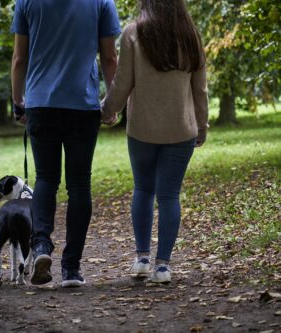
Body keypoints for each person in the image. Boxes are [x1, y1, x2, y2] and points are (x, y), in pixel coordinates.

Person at [11, 0, 122, 287]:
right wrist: (113, 103)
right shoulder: (102, 2)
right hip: (82, 106)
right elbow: (110, 57)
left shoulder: (26, 2)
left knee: (46, 178)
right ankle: (71, 269)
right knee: (80, 184)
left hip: (41, 103)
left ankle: (41, 248)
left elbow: (19, 58)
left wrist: (18, 102)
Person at [101, 0, 209, 283]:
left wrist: (107, 110)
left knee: (143, 190)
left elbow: (122, 83)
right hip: (181, 129)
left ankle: (141, 260)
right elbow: (200, 88)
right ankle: (163, 266)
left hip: (142, 130)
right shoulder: (190, 35)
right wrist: (202, 124)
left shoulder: (134, 33)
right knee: (169, 196)